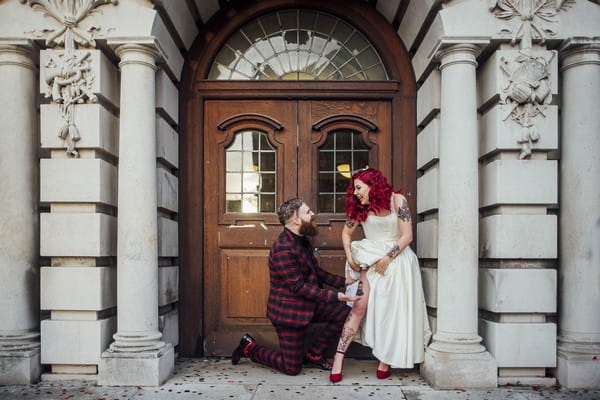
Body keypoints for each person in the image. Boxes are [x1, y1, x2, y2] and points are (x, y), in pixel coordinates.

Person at [231, 198, 361, 375]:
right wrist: (336, 296)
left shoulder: (302, 240)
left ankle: (314, 354)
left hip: (310, 305)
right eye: (308, 212)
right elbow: (299, 287)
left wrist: (343, 282)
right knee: (291, 368)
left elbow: (315, 272)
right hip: (289, 313)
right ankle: (249, 347)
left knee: (345, 311)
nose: (313, 214)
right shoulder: (283, 248)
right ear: (296, 220)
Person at [329, 168, 432, 383]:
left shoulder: (397, 201)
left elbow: (407, 235)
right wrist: (349, 256)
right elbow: (346, 233)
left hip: (397, 261)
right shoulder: (360, 206)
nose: (355, 192)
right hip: (370, 261)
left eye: (359, 187)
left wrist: (388, 257)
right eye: (354, 188)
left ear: (372, 184)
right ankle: (338, 358)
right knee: (359, 306)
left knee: (392, 311)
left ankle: (386, 359)